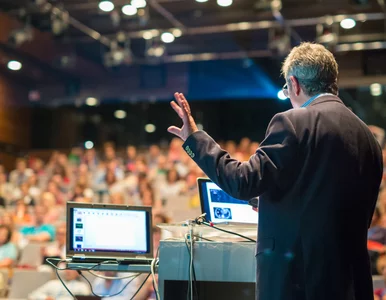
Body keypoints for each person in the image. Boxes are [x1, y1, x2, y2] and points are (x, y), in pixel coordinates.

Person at [168, 42, 383, 300]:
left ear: (294, 84)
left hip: (297, 282)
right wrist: (273, 202)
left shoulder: (294, 121)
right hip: (352, 284)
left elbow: (242, 182)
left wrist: (195, 138)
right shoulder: (368, 137)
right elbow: (327, 198)